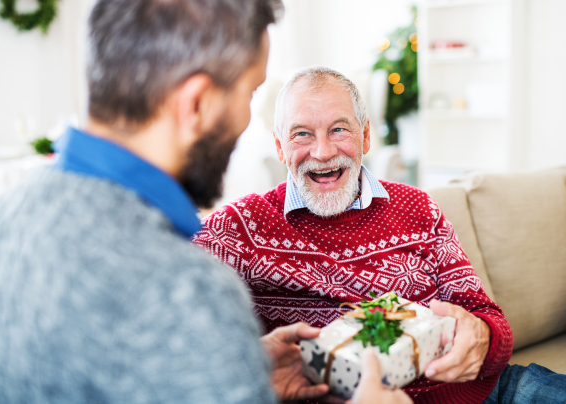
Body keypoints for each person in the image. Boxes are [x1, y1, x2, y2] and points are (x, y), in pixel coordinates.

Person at [0, 1, 411, 404]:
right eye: (250, 93)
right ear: (196, 103)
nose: (244, 123)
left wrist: (237, 369)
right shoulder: (187, 290)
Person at [193, 66, 566, 404]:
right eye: (302, 134)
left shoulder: (418, 207)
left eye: (339, 129)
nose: (322, 152)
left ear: (366, 135)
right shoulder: (237, 229)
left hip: (487, 393)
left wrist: (484, 337)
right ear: (279, 146)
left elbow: (486, 315)